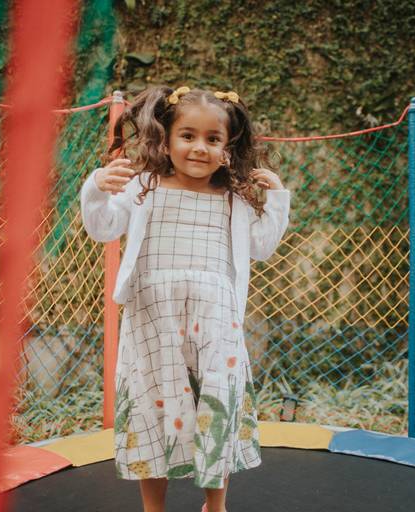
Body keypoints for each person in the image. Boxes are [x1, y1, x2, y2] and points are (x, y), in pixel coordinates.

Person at [80, 85, 290, 512]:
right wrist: (97, 188)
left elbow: (261, 246)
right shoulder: (143, 187)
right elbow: (102, 227)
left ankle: (216, 505)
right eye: (188, 136)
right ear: (166, 140)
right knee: (151, 408)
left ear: (227, 147)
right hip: (154, 319)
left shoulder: (234, 199)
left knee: (217, 402)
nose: (199, 147)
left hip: (215, 320)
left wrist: (276, 199)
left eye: (213, 139)